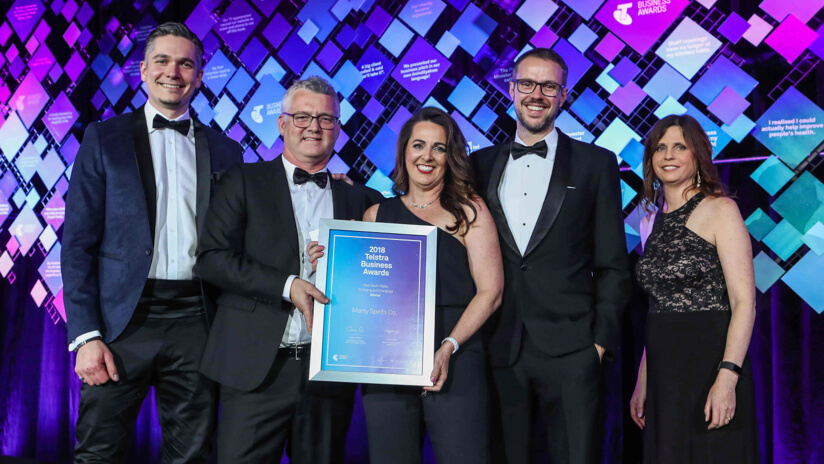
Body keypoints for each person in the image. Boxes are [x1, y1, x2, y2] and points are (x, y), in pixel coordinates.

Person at [62, 22, 243, 463]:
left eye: (186, 63)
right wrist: (85, 335)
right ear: (143, 70)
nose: (173, 72)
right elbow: (77, 243)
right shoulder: (104, 138)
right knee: (97, 452)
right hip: (120, 323)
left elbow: (243, 236)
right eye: (162, 60)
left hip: (196, 321)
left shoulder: (227, 151)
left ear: (200, 76)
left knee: (193, 456)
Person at [196, 76, 383, 464]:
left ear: (338, 129)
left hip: (327, 372)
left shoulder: (361, 198)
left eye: (326, 119)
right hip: (256, 369)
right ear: (282, 125)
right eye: (302, 117)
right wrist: (288, 285)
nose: (314, 127)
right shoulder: (242, 181)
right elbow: (212, 258)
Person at [471, 47, 631, 464]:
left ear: (564, 96)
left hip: (574, 348)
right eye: (527, 83)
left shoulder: (597, 163)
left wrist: (599, 344)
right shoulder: (478, 165)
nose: (536, 94)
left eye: (549, 86)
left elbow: (614, 262)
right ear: (511, 89)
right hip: (500, 347)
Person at [319, 106, 502, 463]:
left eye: (439, 147)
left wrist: (448, 347)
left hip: (457, 356)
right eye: (418, 145)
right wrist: (327, 263)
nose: (427, 156)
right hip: (388, 361)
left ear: (451, 157)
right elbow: (362, 293)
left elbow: (491, 292)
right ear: (404, 152)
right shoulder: (377, 214)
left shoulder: (470, 210)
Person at [631, 114, 759, 462]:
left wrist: (728, 376)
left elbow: (744, 302)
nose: (668, 155)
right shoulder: (647, 221)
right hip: (663, 369)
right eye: (660, 148)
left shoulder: (721, 210)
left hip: (710, 361)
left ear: (697, 154)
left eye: (679, 147)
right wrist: (644, 378)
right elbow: (658, 305)